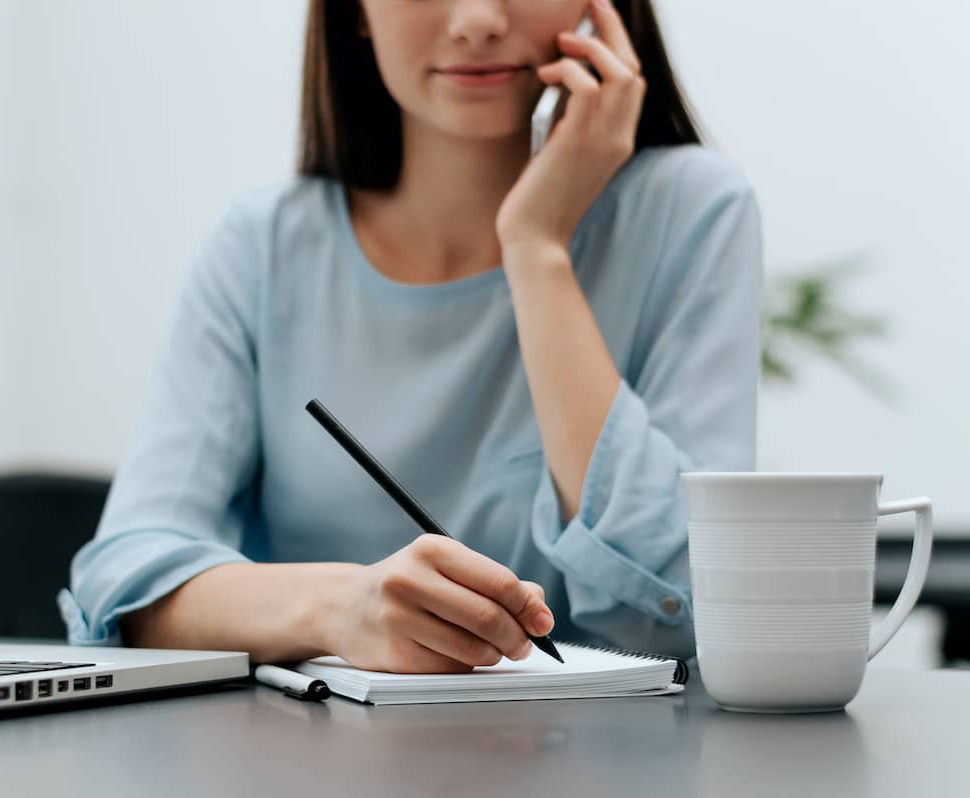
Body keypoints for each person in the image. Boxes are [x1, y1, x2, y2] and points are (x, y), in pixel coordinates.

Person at [57, 0, 762, 671]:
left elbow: (687, 606)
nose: (479, 21)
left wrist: (537, 247)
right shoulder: (262, 248)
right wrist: (342, 609)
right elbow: (127, 584)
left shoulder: (692, 212)